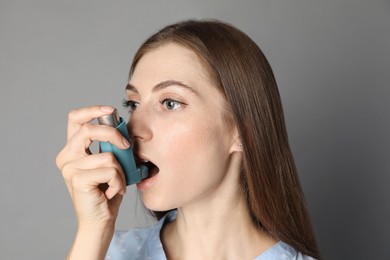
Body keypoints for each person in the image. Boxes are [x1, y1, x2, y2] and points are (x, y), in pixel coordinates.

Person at [56, 19, 320, 259]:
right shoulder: (102, 252)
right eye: (133, 104)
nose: (134, 128)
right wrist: (93, 231)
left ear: (243, 132)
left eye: (170, 103)